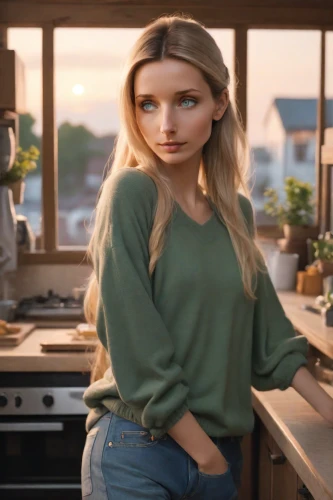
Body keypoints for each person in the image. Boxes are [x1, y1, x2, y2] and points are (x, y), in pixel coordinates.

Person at [81, 14, 333, 500]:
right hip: (138, 450)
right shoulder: (130, 193)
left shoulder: (235, 210)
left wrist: (327, 408)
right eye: (147, 105)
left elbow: (269, 335)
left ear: (220, 104)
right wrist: (207, 456)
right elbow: (138, 349)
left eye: (187, 101)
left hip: (217, 456)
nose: (166, 124)